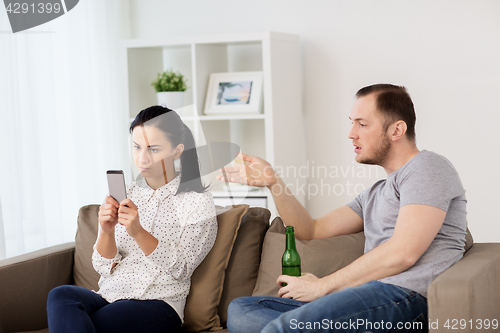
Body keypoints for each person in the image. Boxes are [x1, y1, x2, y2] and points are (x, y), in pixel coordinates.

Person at [220, 84, 467, 333]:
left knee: (281, 328)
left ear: (397, 130)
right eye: (352, 123)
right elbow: (311, 229)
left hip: (405, 298)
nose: (351, 134)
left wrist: (322, 286)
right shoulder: (374, 194)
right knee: (242, 311)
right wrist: (274, 182)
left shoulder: (428, 167)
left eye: (362, 124)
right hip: (368, 298)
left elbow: (403, 252)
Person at [47, 106, 218, 333]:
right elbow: (103, 267)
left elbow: (182, 268)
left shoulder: (198, 202)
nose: (142, 158)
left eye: (153, 149)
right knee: (60, 294)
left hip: (158, 302)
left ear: (177, 151)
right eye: (137, 147)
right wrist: (106, 230)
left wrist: (138, 232)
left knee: (93, 323)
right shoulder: (127, 193)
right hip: (110, 295)